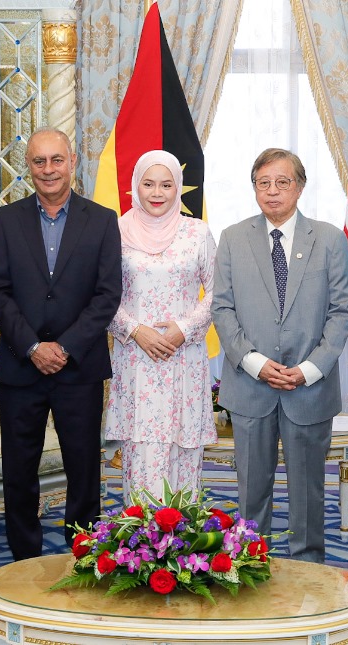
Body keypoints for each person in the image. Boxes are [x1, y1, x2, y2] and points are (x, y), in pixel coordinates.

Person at [211, 148, 348, 563]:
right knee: (251, 490)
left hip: (308, 389)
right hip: (250, 387)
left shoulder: (329, 239)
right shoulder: (232, 238)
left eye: (282, 182)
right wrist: (254, 363)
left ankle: (308, 567)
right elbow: (222, 308)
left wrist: (309, 369)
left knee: (307, 492)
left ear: (300, 187)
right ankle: (250, 563)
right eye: (263, 183)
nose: (272, 191)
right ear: (254, 188)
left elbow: (341, 312)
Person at [0, 127, 122, 560]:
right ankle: (23, 556)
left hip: (78, 367)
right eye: (39, 161)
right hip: (20, 366)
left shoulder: (102, 220)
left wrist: (64, 348)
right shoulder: (7, 220)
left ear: (72, 162)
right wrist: (32, 347)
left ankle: (84, 550)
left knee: (83, 467)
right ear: (28, 166)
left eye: (56, 159)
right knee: (18, 467)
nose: (48, 169)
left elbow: (108, 295)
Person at [105, 151, 216, 500]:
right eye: (148, 184)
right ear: (135, 186)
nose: (157, 193)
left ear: (178, 187)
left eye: (166, 185)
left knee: (184, 449)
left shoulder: (197, 232)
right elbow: (100, 294)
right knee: (141, 450)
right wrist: (136, 331)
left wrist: (184, 329)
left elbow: (219, 291)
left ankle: (184, 528)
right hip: (136, 359)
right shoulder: (115, 231)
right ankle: (140, 531)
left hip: (184, 358)